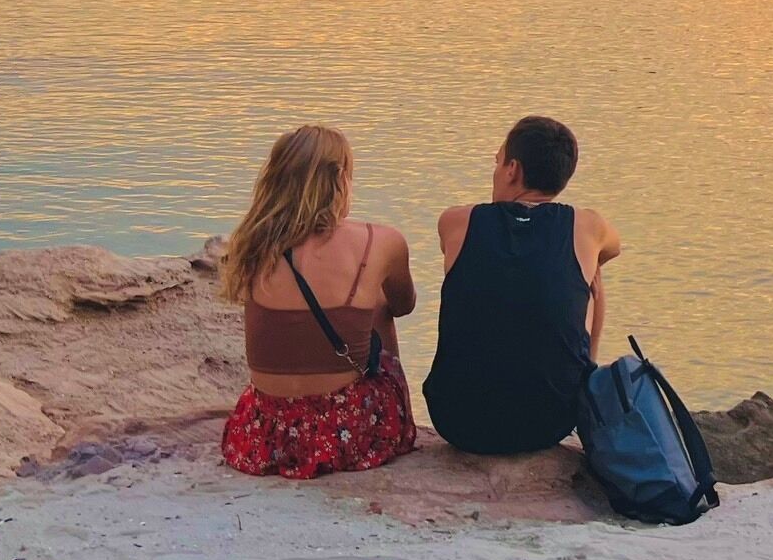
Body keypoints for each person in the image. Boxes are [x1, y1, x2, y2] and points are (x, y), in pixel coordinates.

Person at [217, 124, 419, 479]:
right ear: (341, 178)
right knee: (377, 308)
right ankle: (397, 425)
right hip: (345, 434)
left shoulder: (250, 245)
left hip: (264, 434)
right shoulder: (381, 241)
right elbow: (403, 305)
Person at [421, 115, 622, 455]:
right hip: (550, 422)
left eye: (498, 161)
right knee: (592, 275)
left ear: (513, 169)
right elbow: (613, 248)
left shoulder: (456, 221)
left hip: (457, 419)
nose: (496, 170)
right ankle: (589, 375)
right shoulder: (588, 225)